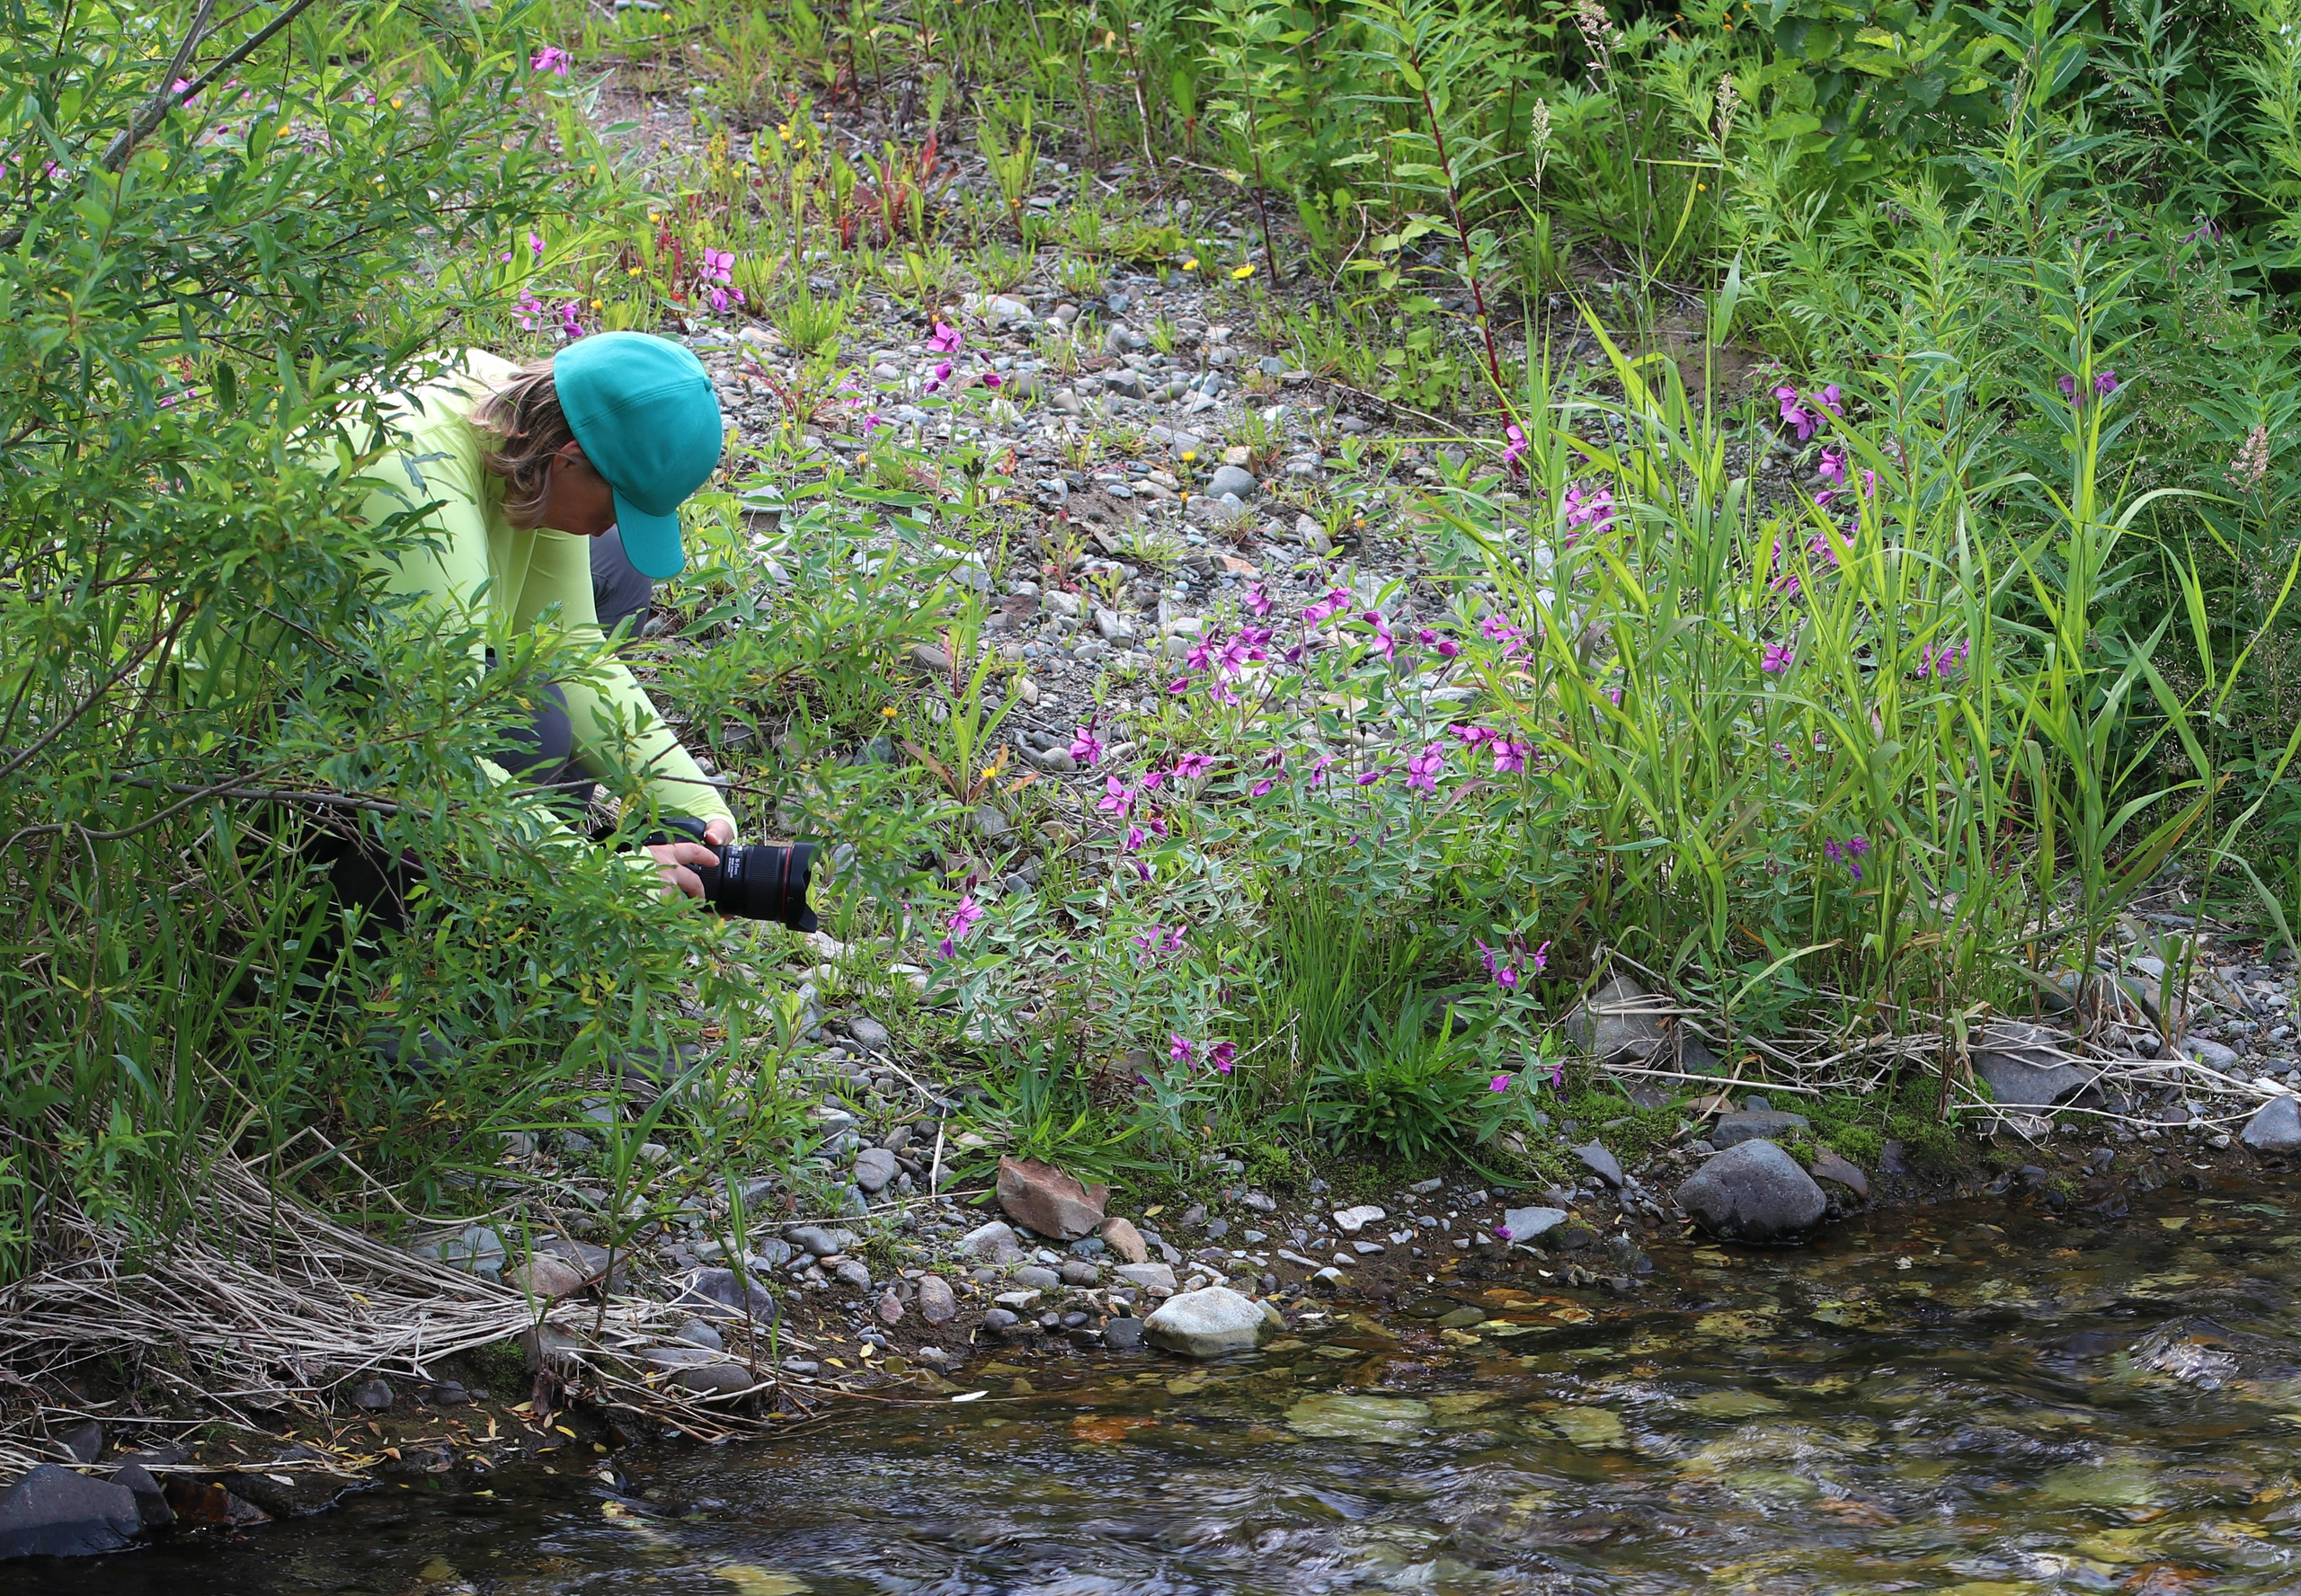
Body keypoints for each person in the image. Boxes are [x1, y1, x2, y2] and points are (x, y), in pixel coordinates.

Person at [337, 332, 734, 909]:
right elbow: (429, 752)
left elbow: (570, 649)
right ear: (569, 458)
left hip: (401, 687)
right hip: (266, 757)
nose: (604, 527)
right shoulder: (413, 485)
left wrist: (697, 804)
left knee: (618, 570)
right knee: (533, 720)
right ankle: (368, 941)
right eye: (614, 506)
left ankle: (526, 872)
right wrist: (599, 876)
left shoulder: (523, 421)